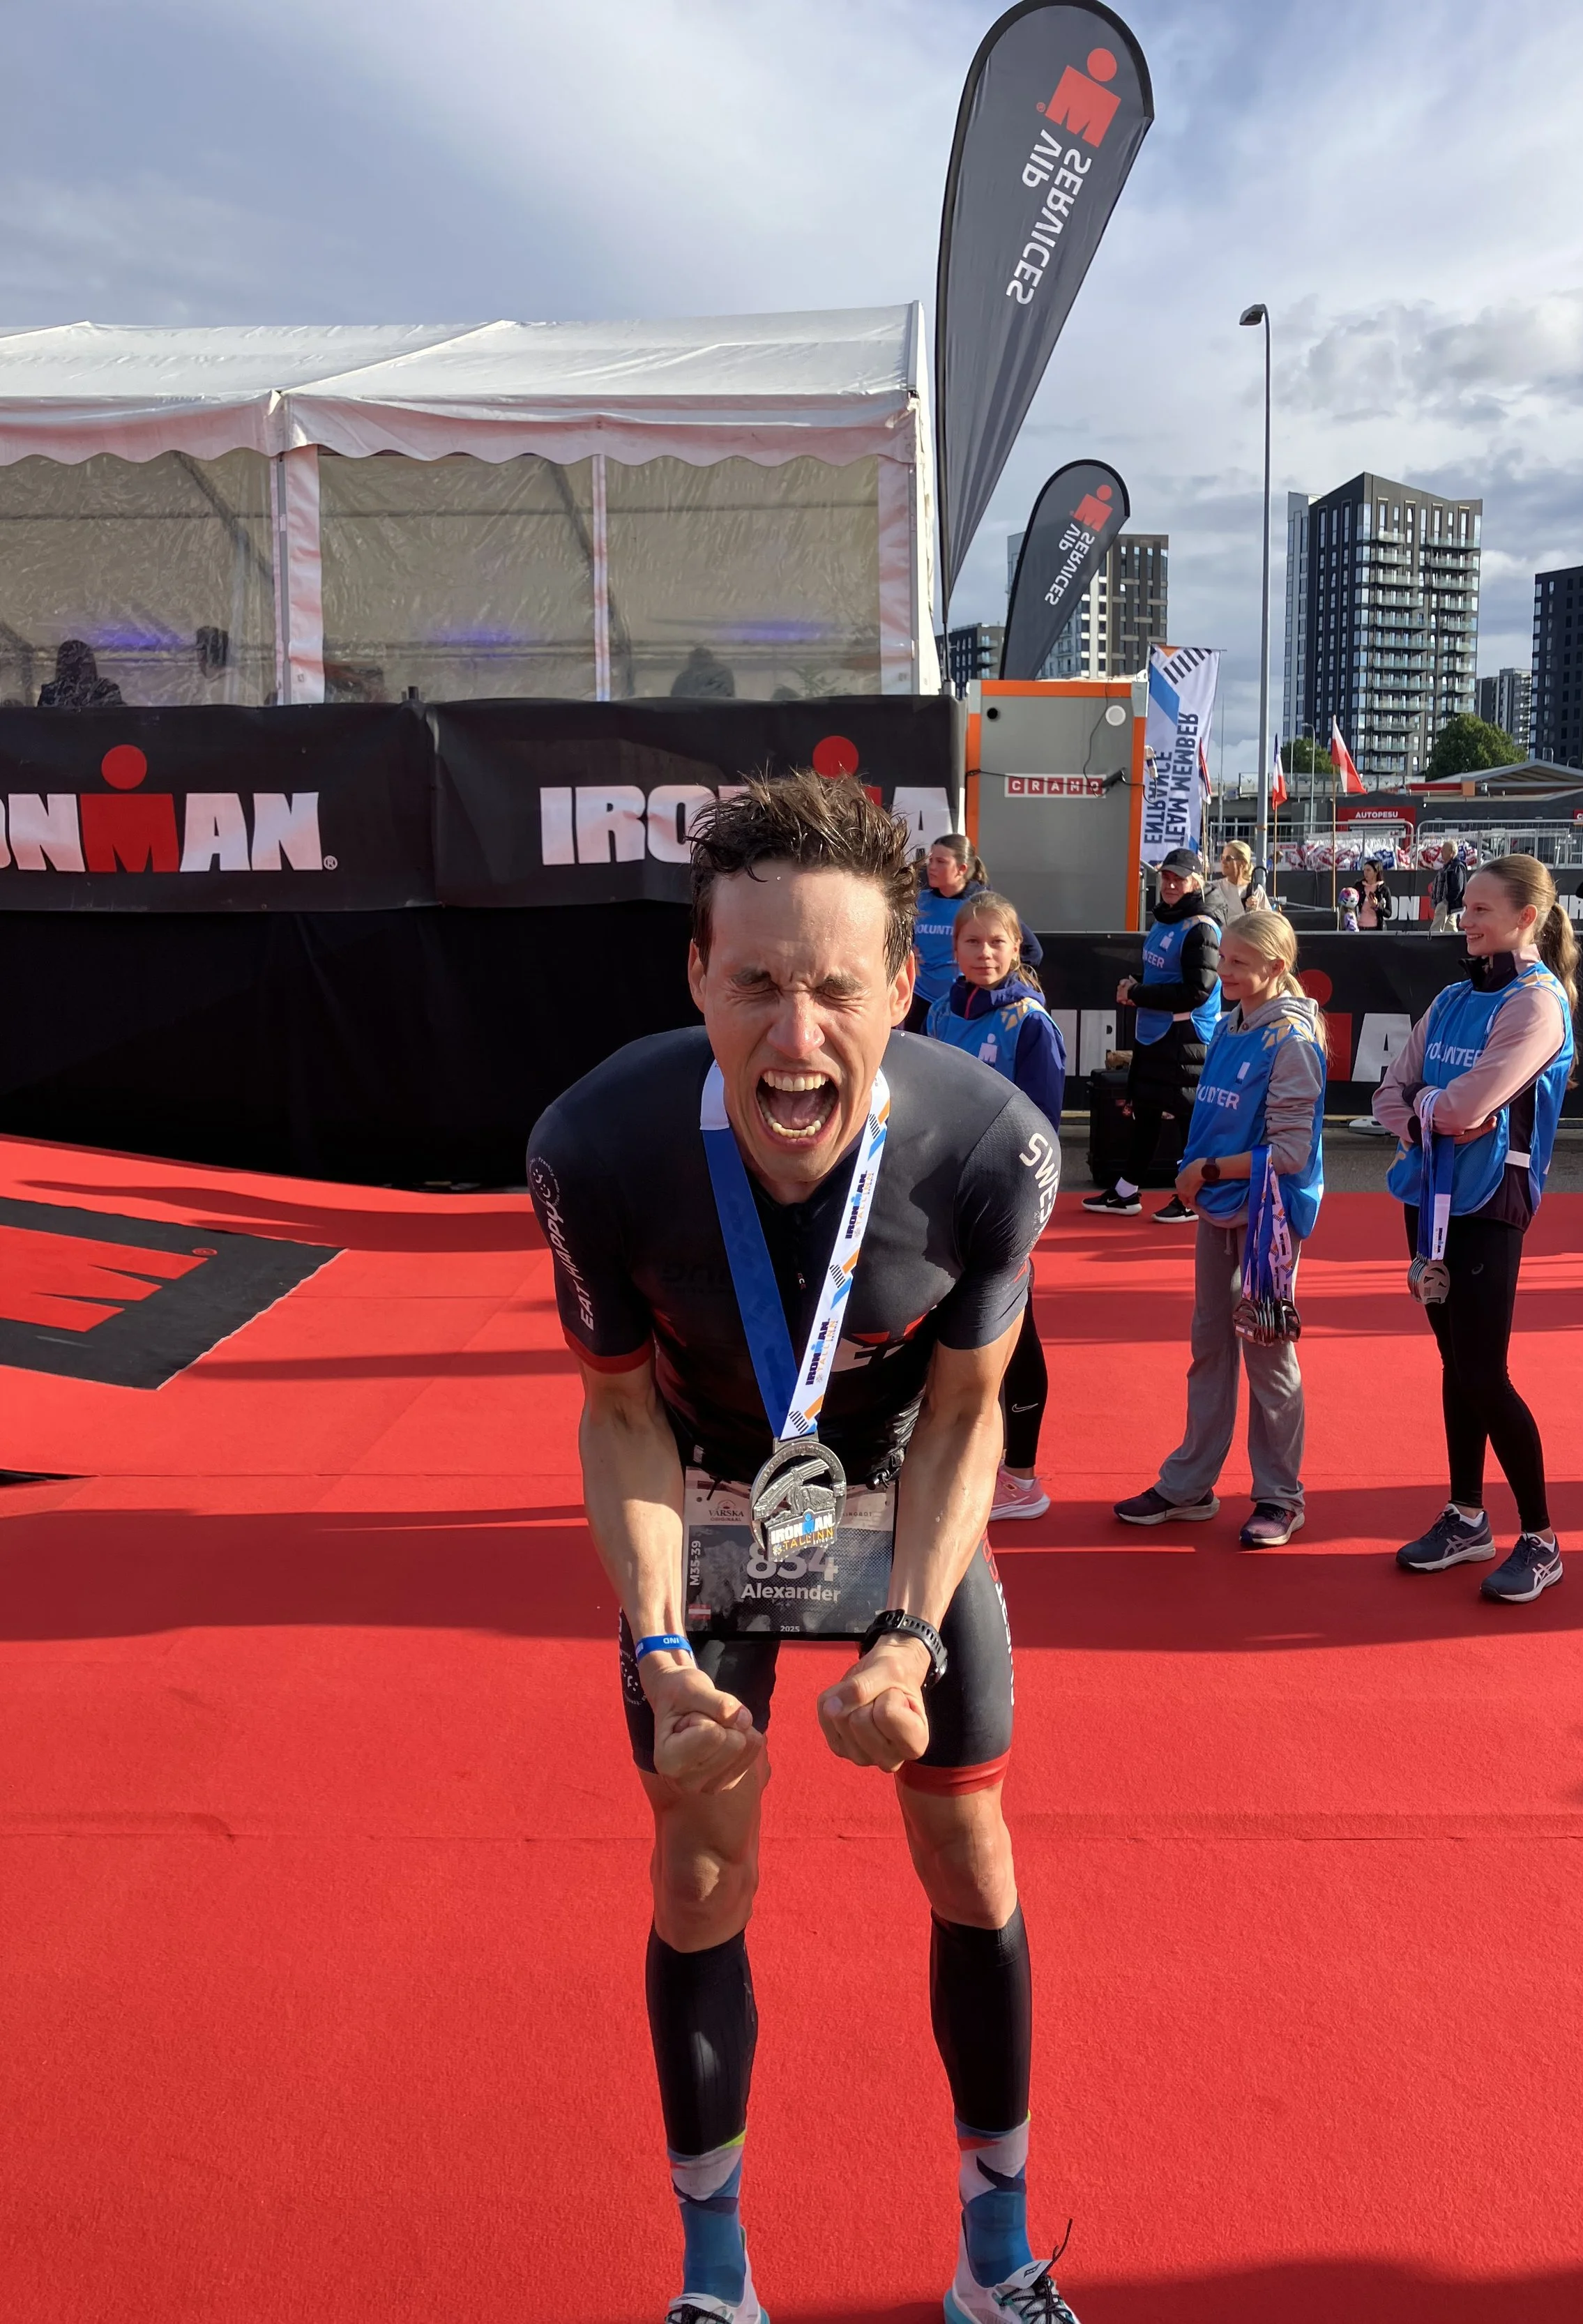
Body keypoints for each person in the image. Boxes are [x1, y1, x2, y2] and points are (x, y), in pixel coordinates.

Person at [526, 771, 1079, 2324]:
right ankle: (716, 2277)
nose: (795, 1034)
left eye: (836, 986)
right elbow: (617, 1413)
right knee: (701, 1860)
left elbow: (966, 1413)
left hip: (897, 1501)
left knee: (968, 1851)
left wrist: (907, 1636)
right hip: (705, 1500)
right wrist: (655, 1648)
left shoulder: (993, 1147)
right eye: (757, 981)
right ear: (696, 973)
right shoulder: (595, 1143)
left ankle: (994, 2250)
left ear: (904, 986)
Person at [1372, 853, 1578, 1605]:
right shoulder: (1453, 996)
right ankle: (1466, 1517)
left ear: (1527, 917)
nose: (1467, 919)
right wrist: (1430, 1113)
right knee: (1454, 1364)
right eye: (1466, 906)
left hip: (1490, 1204)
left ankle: (1541, 1540)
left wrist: (1430, 1107)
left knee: (1485, 1372)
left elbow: (1463, 1106)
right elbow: (1390, 1094)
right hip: (1426, 1195)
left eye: (1484, 909)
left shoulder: (1537, 1004)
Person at [1112, 911, 1326, 1545]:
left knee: (1267, 1351)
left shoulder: (1291, 1039)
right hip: (1217, 1205)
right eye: (1224, 958)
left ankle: (1280, 1495)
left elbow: (1291, 1153)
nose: (1223, 972)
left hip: (1267, 1218)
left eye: (1238, 962)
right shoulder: (1233, 1022)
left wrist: (1205, 1169)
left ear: (1275, 968)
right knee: (1209, 1344)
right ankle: (1189, 1485)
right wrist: (1201, 1173)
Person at [926, 892, 1068, 1523]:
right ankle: (943, 1461)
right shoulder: (937, 1011)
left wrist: (1015, 1206)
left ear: (1016, 948)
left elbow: (1043, 1131)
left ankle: (1022, 1476)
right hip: (938, 1199)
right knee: (942, 1334)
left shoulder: (1030, 1023)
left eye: (996, 942)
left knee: (1011, 1331)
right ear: (953, 948)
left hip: (1000, 1205)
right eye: (972, 942)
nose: (984, 953)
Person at [1082, 847, 1221, 1224]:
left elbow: (1197, 991)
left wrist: (1139, 993)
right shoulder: (1165, 919)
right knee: (1145, 1110)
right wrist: (1136, 984)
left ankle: (1192, 1196)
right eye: (1167, 878)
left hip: (1186, 1035)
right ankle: (1126, 1192)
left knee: (1186, 1116)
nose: (1171, 884)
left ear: (1196, 882)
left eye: (1180, 879)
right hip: (1155, 1032)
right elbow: (1166, 976)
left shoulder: (1201, 927)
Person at [907, 833, 1041, 1032]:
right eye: (931, 860)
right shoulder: (920, 901)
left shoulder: (982, 905)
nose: (931, 868)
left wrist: (999, 982)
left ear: (961, 869)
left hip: (965, 1003)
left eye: (941, 862)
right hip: (921, 1002)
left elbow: (1033, 951)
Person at [37, 638, 123, 709]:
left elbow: (118, 718)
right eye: (72, 663)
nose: (78, 668)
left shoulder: (105, 689)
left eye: (82, 662)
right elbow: (41, 720)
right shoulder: (50, 693)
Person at [1206, 839, 1266, 926]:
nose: (1223, 862)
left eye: (1228, 858)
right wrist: (1247, 913)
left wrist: (1257, 913)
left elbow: (1268, 920)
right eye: (1222, 857)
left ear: (1243, 863)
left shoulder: (1256, 890)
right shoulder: (1213, 888)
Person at [1427, 840, 1467, 935]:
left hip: (1446, 904)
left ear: (1451, 852)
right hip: (1446, 904)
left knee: (1435, 929)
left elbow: (1458, 888)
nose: (1441, 852)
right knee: (1451, 930)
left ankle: (1432, 943)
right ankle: (1457, 943)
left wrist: (1446, 901)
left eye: (1444, 850)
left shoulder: (1456, 867)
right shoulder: (1447, 867)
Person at [1356, 858, 1393, 930]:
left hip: (1376, 928)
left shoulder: (1384, 890)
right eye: (1364, 870)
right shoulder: (1359, 886)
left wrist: (1377, 906)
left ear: (1376, 872)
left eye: (1368, 870)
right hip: (1359, 927)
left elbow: (1388, 913)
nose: (1365, 873)